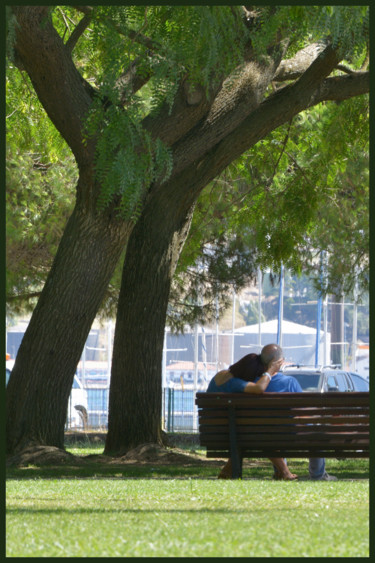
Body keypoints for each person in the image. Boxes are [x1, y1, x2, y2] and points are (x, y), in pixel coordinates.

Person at [206, 343, 298, 480]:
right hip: (228, 431)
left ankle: (227, 471)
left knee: (251, 431)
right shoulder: (235, 382)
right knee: (258, 432)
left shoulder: (222, 376)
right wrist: (270, 370)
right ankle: (284, 472)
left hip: (214, 429)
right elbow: (259, 388)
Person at [258, 368, 338, 481]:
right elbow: (302, 411)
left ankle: (280, 472)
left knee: (274, 434)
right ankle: (318, 475)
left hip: (262, 437)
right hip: (292, 435)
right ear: (278, 363)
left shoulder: (252, 384)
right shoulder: (289, 382)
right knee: (316, 435)